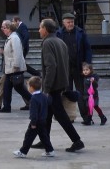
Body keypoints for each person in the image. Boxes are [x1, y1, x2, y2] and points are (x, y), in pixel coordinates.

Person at [37, 18, 84, 153]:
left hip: (53, 85)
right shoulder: (60, 41)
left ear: (45, 29)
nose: (39, 30)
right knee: (47, 114)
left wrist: (46, 88)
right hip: (60, 83)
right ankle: (44, 140)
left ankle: (77, 140)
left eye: (40, 28)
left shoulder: (48, 43)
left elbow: (51, 66)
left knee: (61, 115)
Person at [58, 13, 93, 124]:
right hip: (65, 69)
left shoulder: (80, 33)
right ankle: (69, 117)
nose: (70, 24)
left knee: (81, 93)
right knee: (67, 93)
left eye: (72, 22)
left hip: (79, 68)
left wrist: (87, 64)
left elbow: (88, 49)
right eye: (68, 22)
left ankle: (86, 117)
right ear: (63, 23)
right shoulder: (59, 34)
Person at [13, 76, 54, 158]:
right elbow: (48, 103)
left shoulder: (33, 99)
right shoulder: (44, 96)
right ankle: (50, 150)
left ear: (31, 87)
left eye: (28, 86)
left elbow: (33, 113)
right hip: (43, 120)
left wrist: (33, 123)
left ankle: (23, 152)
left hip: (36, 122)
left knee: (29, 136)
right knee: (44, 136)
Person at [0, 20, 31, 113]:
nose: (2, 29)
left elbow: (17, 53)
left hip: (14, 68)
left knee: (18, 88)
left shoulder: (14, 38)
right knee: (8, 88)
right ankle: (6, 107)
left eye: (4, 27)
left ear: (9, 28)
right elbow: (10, 52)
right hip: (10, 68)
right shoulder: (10, 38)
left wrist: (16, 66)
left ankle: (35, 101)